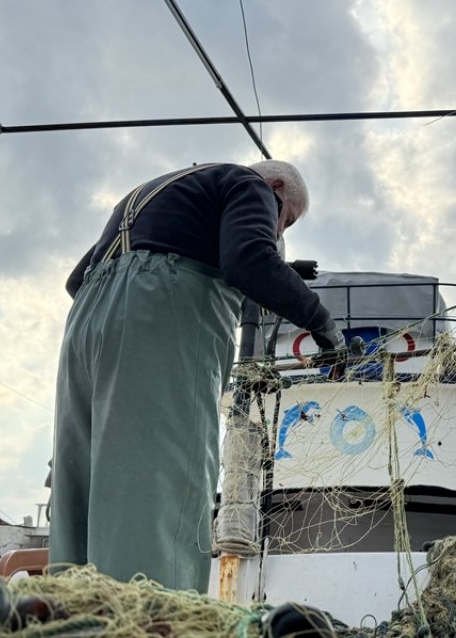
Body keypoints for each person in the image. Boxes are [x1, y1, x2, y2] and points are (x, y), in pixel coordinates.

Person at [50, 160, 346, 592]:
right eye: (287, 219)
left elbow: (77, 280)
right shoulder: (248, 182)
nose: (280, 232)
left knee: (84, 479)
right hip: (160, 313)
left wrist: (121, 311)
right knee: (161, 477)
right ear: (277, 187)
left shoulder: (146, 195)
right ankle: (154, 617)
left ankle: (73, 612)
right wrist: (322, 324)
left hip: (86, 324)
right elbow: (248, 259)